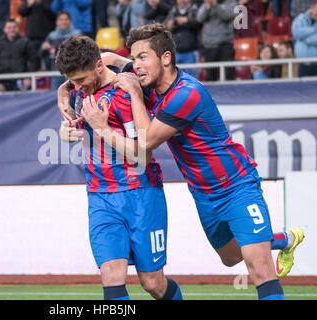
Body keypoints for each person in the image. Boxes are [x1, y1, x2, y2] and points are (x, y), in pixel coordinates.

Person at [61, 24, 305, 300]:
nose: (136, 65)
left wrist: (106, 124)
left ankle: (266, 247)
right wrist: (67, 94)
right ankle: (283, 239)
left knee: (259, 268)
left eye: (142, 57)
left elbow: (145, 144)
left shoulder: (186, 94)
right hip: (203, 192)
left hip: (236, 184)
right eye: (134, 58)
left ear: (165, 58)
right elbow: (97, 67)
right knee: (231, 256)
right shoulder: (149, 80)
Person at [55, 36, 182, 300]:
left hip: (140, 194)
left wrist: (102, 129)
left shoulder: (125, 93)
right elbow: (81, 122)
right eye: (73, 81)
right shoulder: (82, 92)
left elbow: (142, 154)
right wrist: (66, 129)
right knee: (111, 275)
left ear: (99, 67)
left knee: (153, 284)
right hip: (100, 196)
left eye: (80, 80)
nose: (76, 86)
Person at [0, 18, 39, 92]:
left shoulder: (25, 42)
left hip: (22, 82)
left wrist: (29, 78)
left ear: (18, 28)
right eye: (9, 27)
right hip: (3, 82)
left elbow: (35, 60)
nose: (12, 30)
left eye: (14, 27)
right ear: (4, 29)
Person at [196, 0, 236, 81]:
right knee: (210, 77)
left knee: (229, 75)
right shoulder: (206, 4)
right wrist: (208, 7)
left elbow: (227, 15)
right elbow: (199, 18)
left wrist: (215, 5)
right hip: (209, 45)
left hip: (225, 44)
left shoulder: (231, 2)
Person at [40, 11, 81, 89]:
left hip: (73, 74)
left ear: (70, 21)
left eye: (66, 19)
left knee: (73, 99)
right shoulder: (51, 36)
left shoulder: (77, 35)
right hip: (55, 74)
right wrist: (43, 48)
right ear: (56, 22)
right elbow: (42, 54)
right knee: (56, 99)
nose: (63, 22)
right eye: (61, 19)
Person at [165, 0, 201, 78]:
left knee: (192, 78)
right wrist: (169, 26)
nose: (182, 1)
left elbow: (199, 24)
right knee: (175, 78)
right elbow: (165, 27)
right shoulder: (172, 11)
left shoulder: (195, 10)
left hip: (191, 50)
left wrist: (187, 20)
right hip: (176, 51)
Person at [291, 0, 317, 77]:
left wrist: (304, 38)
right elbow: (296, 32)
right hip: (303, 65)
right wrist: (314, 30)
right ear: (312, 7)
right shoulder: (300, 19)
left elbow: (300, 35)